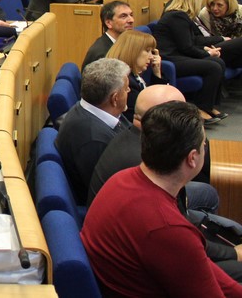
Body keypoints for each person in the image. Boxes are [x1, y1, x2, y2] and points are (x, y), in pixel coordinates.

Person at [81, 100, 242, 297]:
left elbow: (198, 264)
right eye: (204, 144)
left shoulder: (121, 179)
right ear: (192, 158)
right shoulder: (167, 228)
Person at [54, 58, 132, 204]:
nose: (129, 91)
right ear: (115, 98)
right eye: (126, 89)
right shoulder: (94, 141)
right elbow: (108, 193)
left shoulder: (91, 109)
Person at [153, 0, 228, 122]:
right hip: (170, 59)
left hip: (178, 56)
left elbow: (192, 41)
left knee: (219, 62)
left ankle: (209, 105)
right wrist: (207, 54)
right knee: (213, 67)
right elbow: (186, 47)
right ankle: (200, 108)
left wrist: (206, 50)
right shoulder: (177, 17)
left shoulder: (180, 16)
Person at [106, 30, 164, 123]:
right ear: (132, 51)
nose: (151, 57)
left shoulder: (133, 75)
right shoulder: (127, 83)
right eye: (147, 51)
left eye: (152, 51)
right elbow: (154, 110)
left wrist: (157, 73)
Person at [83, 1, 136, 69]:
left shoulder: (124, 43)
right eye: (123, 16)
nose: (131, 20)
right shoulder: (103, 54)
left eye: (131, 15)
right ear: (108, 23)